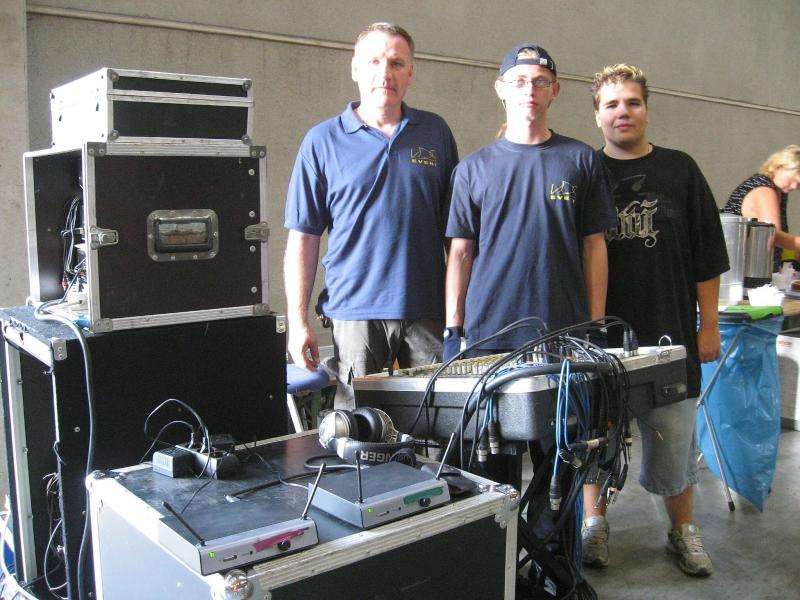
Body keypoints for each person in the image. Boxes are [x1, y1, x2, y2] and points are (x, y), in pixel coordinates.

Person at [582, 63, 729, 577]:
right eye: (611, 104)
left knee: (674, 443)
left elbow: (707, 256)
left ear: (646, 109)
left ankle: (682, 530)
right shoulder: (584, 170)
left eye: (633, 102)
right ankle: (594, 524)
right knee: (596, 436)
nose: (622, 112)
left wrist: (708, 325)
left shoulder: (680, 170)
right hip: (601, 338)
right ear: (597, 115)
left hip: (671, 332)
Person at [284, 22, 458, 409]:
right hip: (355, 313)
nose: (385, 73)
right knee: (360, 427)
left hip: (428, 311)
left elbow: (456, 235)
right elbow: (303, 238)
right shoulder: (322, 141)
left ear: (410, 73)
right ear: (355, 69)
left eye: (396, 63)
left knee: (440, 422)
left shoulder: (435, 133)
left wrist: (461, 313)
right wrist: (297, 321)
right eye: (374, 61)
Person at [444, 43, 616, 358]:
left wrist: (596, 325)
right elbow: (460, 253)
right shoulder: (471, 169)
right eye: (519, 81)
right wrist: (453, 331)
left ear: (555, 90)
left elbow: (594, 246)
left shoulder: (581, 160)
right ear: (501, 89)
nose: (529, 90)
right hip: (489, 334)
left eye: (540, 81)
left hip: (565, 332)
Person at [721, 145, 800, 270]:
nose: (794, 186)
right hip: (743, 269)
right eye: (792, 179)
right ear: (780, 166)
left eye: (799, 184)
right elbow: (772, 234)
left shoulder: (776, 189)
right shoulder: (764, 189)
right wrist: (797, 243)